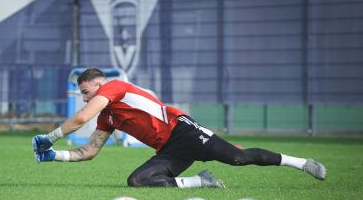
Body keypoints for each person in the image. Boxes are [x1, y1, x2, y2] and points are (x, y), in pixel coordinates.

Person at [32, 68, 326, 188]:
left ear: (99, 85)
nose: (84, 98)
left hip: (183, 131)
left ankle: (302, 163)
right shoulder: (107, 117)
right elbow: (88, 152)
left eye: (85, 92)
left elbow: (81, 118)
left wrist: (50, 137)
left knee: (239, 157)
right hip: (169, 147)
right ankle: (202, 181)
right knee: (137, 182)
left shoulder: (115, 87)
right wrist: (54, 155)